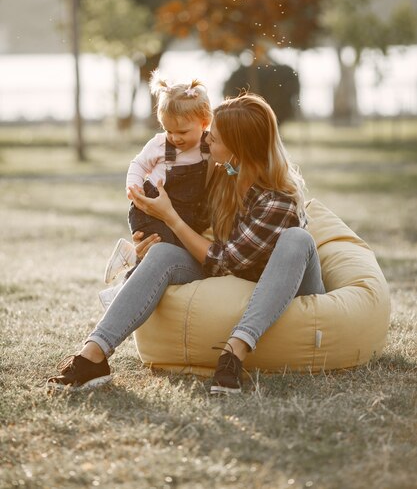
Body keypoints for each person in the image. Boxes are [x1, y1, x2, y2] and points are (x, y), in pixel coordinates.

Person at [47, 92, 325, 394]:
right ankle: (93, 356)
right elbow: (196, 230)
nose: (206, 142)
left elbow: (225, 260)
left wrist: (170, 218)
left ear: (238, 149)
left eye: (215, 139)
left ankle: (234, 352)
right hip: (238, 273)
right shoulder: (223, 175)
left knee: (297, 239)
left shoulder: (277, 200)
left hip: (288, 284)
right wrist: (152, 239)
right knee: (164, 253)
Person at [99, 71, 213, 309]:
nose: (175, 138)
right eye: (169, 130)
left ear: (204, 123)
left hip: (184, 214)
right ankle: (122, 292)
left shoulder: (208, 146)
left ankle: (130, 256)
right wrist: (134, 187)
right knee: (162, 251)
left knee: (178, 251)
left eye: (182, 132)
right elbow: (138, 164)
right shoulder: (160, 144)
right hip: (150, 208)